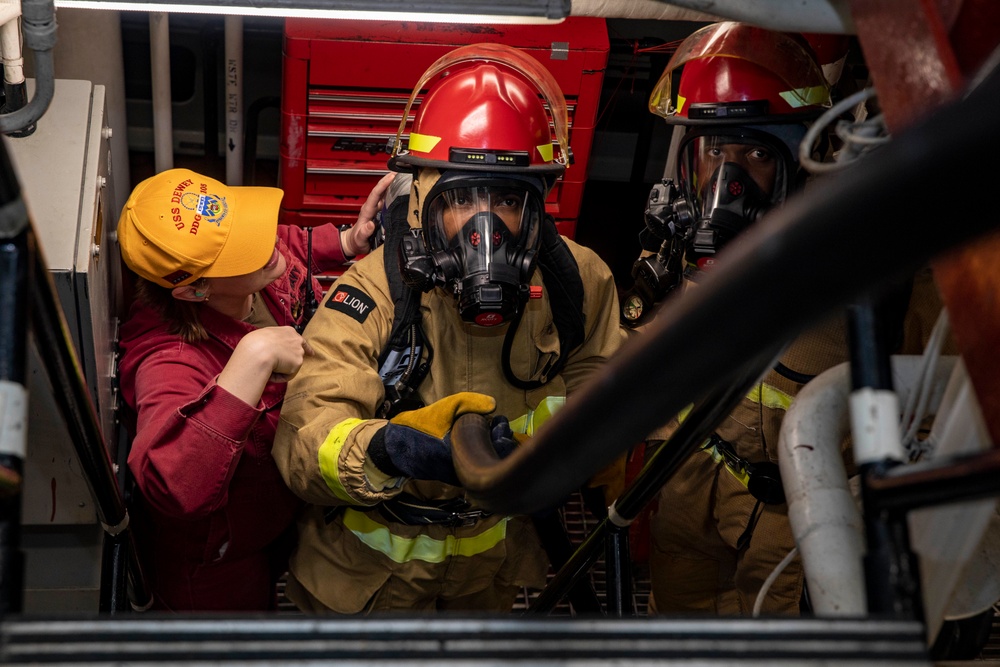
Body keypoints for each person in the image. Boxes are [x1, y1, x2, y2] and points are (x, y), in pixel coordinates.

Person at [271, 43, 625, 613]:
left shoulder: (577, 281)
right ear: (423, 204)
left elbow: (601, 383)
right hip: (371, 573)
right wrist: (385, 450)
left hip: (490, 564)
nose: (486, 230)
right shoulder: (374, 292)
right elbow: (304, 438)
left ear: (536, 208)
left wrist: (554, 448)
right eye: (462, 201)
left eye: (507, 200)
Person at [622, 22, 854, 615]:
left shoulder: (857, 277)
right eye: (713, 153)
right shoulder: (668, 260)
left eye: (755, 154)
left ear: (801, 164)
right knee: (675, 626)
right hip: (684, 482)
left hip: (789, 511)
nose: (727, 183)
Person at [116, 167, 394, 611]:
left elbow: (284, 241)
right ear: (193, 292)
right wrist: (253, 358)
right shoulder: (167, 360)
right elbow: (173, 487)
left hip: (279, 510)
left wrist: (345, 241)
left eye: (246, 225)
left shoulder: (252, 269)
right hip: (220, 563)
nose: (265, 245)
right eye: (244, 250)